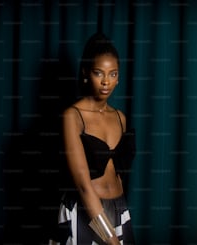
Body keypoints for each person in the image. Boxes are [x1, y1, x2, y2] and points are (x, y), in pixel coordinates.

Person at [49, 32, 136, 245]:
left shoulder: (120, 118)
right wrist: (111, 238)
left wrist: (118, 223)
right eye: (99, 73)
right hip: (84, 212)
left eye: (113, 74)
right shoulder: (73, 116)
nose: (106, 81)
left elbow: (120, 175)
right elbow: (83, 187)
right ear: (86, 73)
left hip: (118, 208)